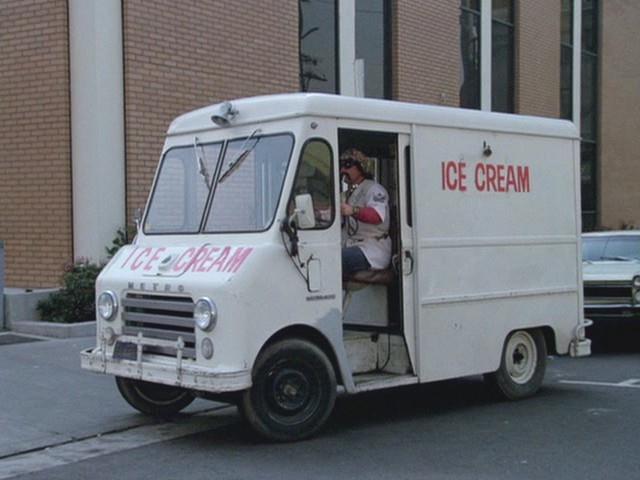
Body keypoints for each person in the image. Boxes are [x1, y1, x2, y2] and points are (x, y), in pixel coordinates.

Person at [340, 148, 391, 276]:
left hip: (371, 248)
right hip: (352, 243)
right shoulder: (349, 193)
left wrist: (353, 210)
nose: (342, 170)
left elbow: (377, 215)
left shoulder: (374, 189)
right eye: (341, 166)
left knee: (334, 260)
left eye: (347, 165)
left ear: (361, 167)